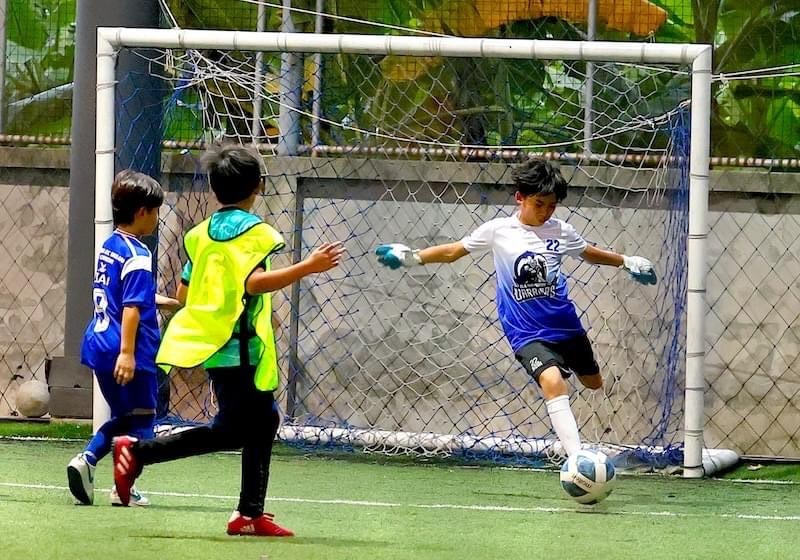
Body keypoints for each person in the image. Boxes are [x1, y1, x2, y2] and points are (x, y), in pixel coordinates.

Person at [112, 144, 345, 537]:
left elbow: (186, 294)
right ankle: (137, 454)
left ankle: (249, 512)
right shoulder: (257, 234)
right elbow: (252, 283)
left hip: (214, 344)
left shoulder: (199, 235)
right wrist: (308, 266)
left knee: (257, 422)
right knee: (238, 428)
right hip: (242, 347)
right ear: (259, 186)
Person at [375, 158, 656, 458]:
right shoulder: (498, 230)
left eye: (552, 206)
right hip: (526, 332)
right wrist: (413, 257)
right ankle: (577, 460)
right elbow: (453, 251)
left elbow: (589, 253)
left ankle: (561, 364)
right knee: (552, 382)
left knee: (593, 383)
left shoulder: (561, 231)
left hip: (565, 326)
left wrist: (626, 261)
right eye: (539, 204)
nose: (546, 212)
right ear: (520, 197)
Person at [68, 170, 180, 506]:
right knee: (143, 423)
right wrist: (128, 353)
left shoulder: (111, 245)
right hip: (127, 350)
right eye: (156, 211)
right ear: (143, 212)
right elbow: (131, 308)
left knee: (124, 420)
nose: (158, 219)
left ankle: (86, 461)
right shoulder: (139, 254)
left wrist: (162, 301)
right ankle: (122, 489)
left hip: (99, 344)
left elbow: (122, 294)